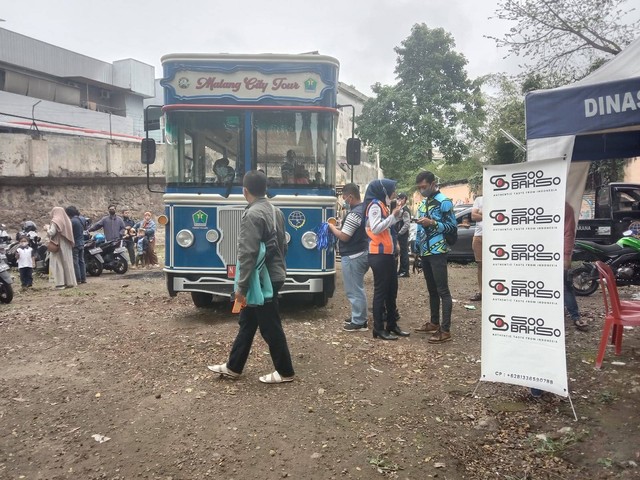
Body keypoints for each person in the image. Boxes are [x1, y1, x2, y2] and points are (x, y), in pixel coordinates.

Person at [208, 170, 295, 384]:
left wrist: (241, 287)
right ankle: (233, 367)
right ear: (265, 188)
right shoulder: (276, 211)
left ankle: (285, 372)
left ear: (244, 191)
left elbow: (248, 254)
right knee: (247, 321)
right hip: (273, 275)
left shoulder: (252, 214)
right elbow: (283, 245)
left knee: (270, 325)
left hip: (260, 281)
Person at [413, 171, 457, 344]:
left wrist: (433, 223)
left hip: (438, 250)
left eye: (424, 187)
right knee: (431, 290)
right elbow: (418, 229)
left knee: (442, 291)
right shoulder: (423, 203)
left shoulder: (444, 202)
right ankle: (433, 322)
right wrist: (416, 248)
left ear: (432, 184)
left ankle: (445, 330)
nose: (422, 190)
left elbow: (452, 227)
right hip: (425, 251)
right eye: (419, 188)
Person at [364, 178, 410, 340]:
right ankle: (378, 328)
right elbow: (376, 229)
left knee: (392, 292)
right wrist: (393, 216)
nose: (395, 193)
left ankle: (391, 324)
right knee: (381, 293)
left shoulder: (382, 205)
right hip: (378, 255)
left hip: (388, 255)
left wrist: (396, 216)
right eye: (393, 189)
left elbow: (388, 227)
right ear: (384, 190)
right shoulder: (375, 206)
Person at [328, 183, 370, 332]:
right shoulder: (364, 209)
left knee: (354, 289)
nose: (344, 200)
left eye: (344, 198)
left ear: (350, 197)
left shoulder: (354, 214)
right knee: (356, 286)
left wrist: (331, 228)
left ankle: (359, 321)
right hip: (362, 252)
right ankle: (358, 315)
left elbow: (345, 236)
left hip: (353, 255)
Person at [564, 202, 587, 331]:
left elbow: (568, 234)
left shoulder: (565, 207)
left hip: (557, 257)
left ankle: (575, 316)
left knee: (565, 286)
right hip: (535, 256)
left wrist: (566, 257)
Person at [46, 206, 77, 290]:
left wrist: (47, 228)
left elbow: (51, 233)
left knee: (57, 263)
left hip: (58, 245)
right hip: (67, 245)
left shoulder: (55, 221)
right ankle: (69, 282)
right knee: (67, 263)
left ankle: (60, 283)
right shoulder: (67, 220)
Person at [65, 206, 87, 284]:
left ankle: (78, 279)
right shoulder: (82, 219)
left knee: (75, 262)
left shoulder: (71, 221)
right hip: (82, 242)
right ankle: (83, 278)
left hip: (75, 244)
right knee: (82, 261)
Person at [470, 186, 483, 301]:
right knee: (480, 265)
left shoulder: (498, 198)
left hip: (495, 236)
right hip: (479, 236)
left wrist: (482, 214)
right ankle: (481, 291)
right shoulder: (479, 200)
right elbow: (473, 216)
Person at [395, 193, 412, 277]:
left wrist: (400, 233)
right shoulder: (400, 208)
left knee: (404, 253)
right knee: (401, 253)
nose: (399, 200)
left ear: (405, 199)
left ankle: (404, 271)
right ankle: (401, 270)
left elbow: (407, 224)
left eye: (401, 198)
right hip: (400, 234)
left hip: (403, 235)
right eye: (398, 199)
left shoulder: (405, 210)